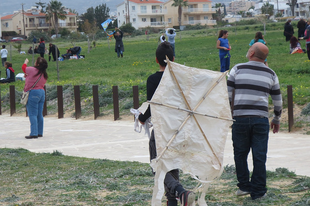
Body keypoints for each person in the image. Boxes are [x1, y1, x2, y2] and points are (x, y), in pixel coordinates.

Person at [138, 41, 195, 206]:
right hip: (178, 127)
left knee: (158, 166)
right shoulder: (180, 80)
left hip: (162, 129)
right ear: (173, 59)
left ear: (156, 60)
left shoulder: (153, 79)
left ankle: (180, 191)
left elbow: (152, 106)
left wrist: (141, 118)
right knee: (172, 164)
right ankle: (173, 200)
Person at [227, 42, 282, 200]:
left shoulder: (237, 69)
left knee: (240, 153)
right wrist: (276, 119)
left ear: (251, 53)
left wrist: (228, 115)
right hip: (260, 119)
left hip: (240, 118)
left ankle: (244, 186)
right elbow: (278, 100)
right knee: (259, 155)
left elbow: (227, 95)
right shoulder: (271, 74)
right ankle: (258, 192)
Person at [22, 57, 48, 139]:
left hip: (33, 92)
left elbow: (24, 68)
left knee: (32, 113)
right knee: (39, 114)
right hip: (41, 92)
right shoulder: (44, 74)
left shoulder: (32, 69)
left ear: (38, 64)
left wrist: (25, 62)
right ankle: (39, 132)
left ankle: (33, 133)